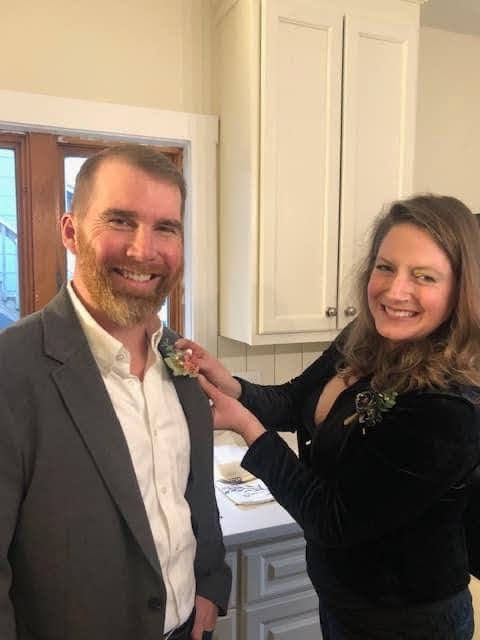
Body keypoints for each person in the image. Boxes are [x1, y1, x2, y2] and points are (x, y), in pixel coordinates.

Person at [179, 194, 480, 639]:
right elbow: (294, 399)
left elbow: (330, 518)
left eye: (424, 276)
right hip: (344, 601)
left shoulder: (448, 408)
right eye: (385, 267)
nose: (395, 291)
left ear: (459, 289)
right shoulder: (366, 337)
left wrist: (246, 427)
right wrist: (232, 386)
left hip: (408, 620)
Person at [0, 144, 231, 640]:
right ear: (71, 232)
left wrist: (210, 584)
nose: (144, 251)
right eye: (121, 221)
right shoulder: (10, 372)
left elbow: (194, 495)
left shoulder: (181, 360)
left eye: (166, 227)